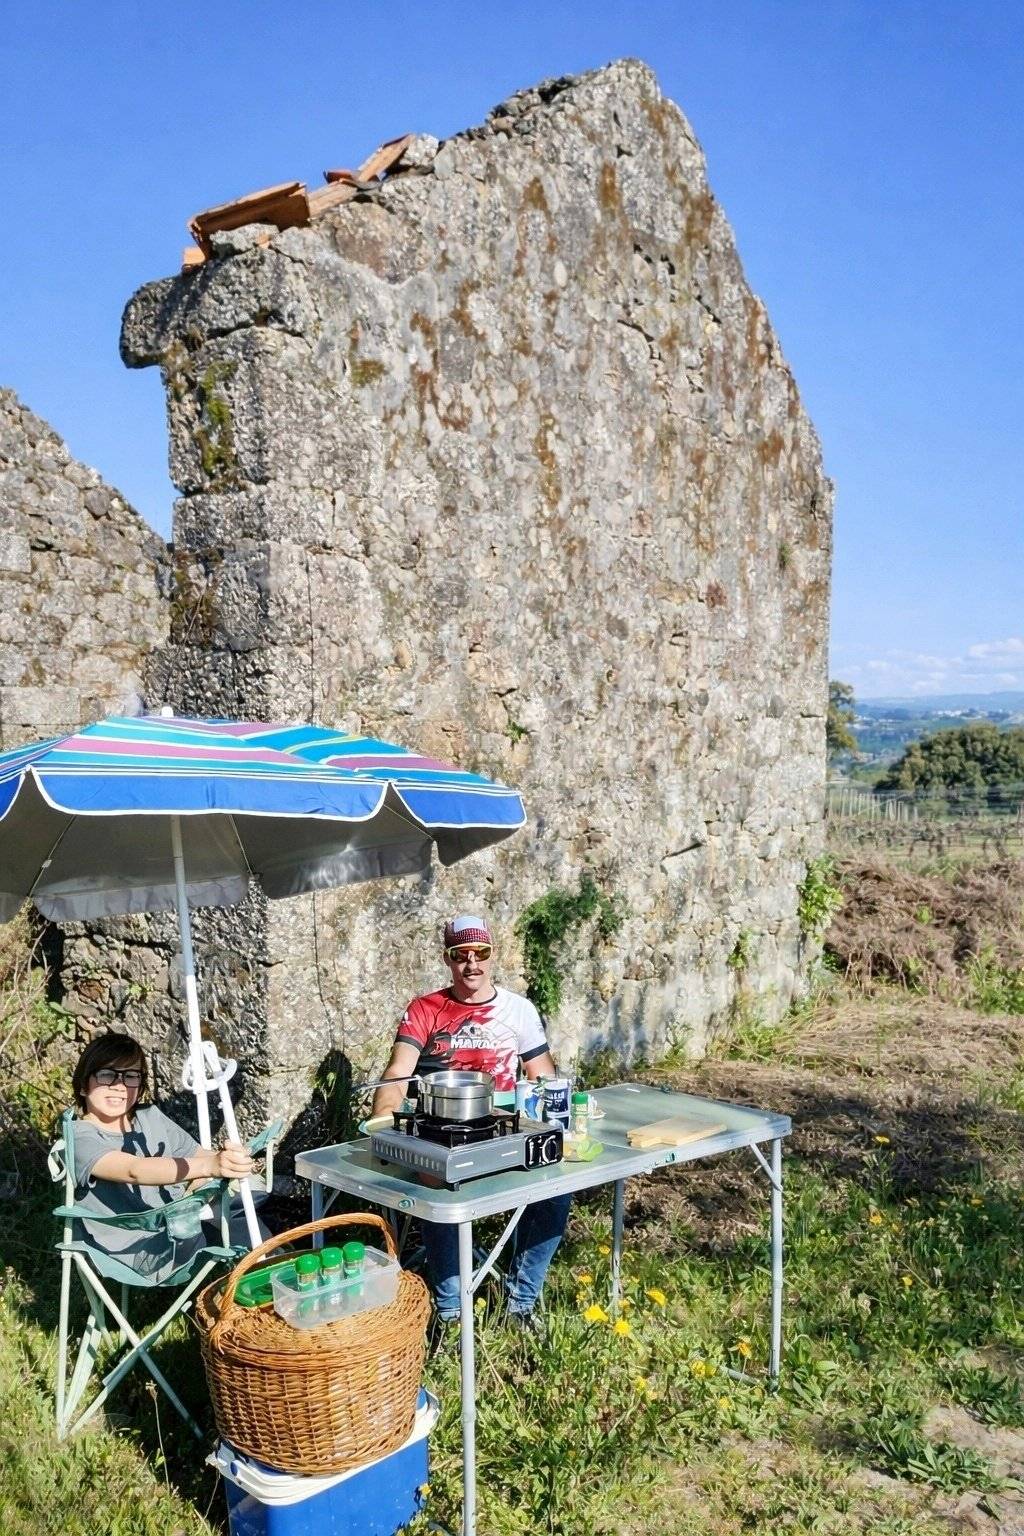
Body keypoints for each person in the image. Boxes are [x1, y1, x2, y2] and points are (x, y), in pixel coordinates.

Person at [372, 914, 571, 1336]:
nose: (471, 965)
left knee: (556, 1191)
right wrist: (384, 1118)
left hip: (502, 1129)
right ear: (447, 960)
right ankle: (450, 1310)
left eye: (479, 954)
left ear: (491, 954)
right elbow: (397, 1074)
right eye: (460, 956)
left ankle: (519, 1303)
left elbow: (542, 1078)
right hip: (439, 1130)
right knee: (436, 1181)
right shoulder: (425, 1009)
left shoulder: (518, 1010)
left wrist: (556, 1123)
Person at [69, 1031, 259, 1279]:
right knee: (240, 1233)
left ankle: (270, 1291)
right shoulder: (80, 1138)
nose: (119, 1086)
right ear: (83, 1085)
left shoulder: (151, 1118)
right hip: (138, 1250)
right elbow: (134, 1170)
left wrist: (231, 1160)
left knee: (252, 1202)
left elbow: (201, 1156)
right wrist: (210, 1167)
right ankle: (249, 1301)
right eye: (106, 1075)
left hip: (178, 1223)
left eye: (131, 1077)